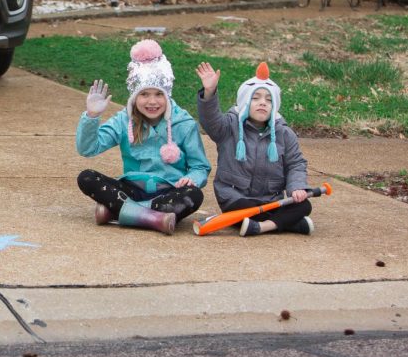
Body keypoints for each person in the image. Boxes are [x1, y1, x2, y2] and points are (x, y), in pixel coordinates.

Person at [76, 39, 210, 235]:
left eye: (159, 94)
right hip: (131, 189)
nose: (152, 101)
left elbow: (200, 167)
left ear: (168, 95)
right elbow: (88, 148)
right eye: (144, 94)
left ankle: (118, 211)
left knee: (194, 195)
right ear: (134, 97)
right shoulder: (124, 120)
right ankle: (153, 217)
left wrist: (191, 179)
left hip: (168, 191)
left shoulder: (184, 123)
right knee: (86, 177)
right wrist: (92, 117)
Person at [195, 61, 314, 236]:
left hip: (271, 200)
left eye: (268, 100)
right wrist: (209, 92)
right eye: (255, 98)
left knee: (304, 205)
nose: (262, 103)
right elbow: (210, 120)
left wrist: (297, 187)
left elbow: (295, 164)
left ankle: (261, 226)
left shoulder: (284, 133)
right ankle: (289, 223)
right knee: (246, 209)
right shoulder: (229, 127)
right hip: (236, 198)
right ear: (244, 102)